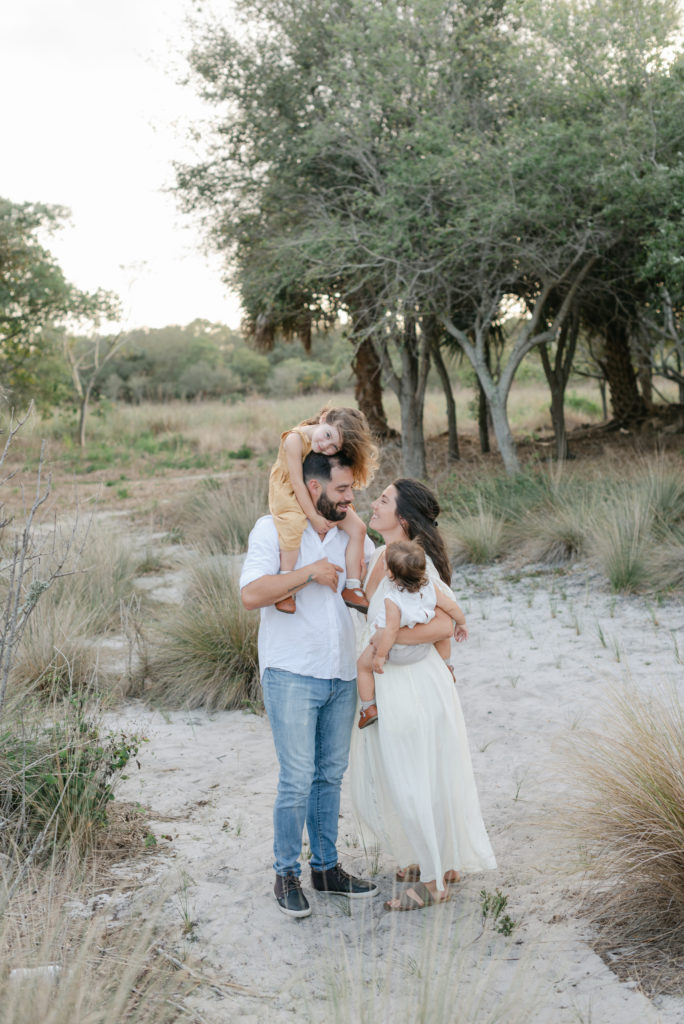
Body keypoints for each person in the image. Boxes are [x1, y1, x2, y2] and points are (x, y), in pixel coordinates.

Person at [240, 448, 379, 918]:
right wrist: (308, 574)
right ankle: (286, 874)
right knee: (297, 778)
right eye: (342, 490)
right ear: (313, 488)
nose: (350, 499)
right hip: (292, 671)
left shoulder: (347, 533)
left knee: (329, 775)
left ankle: (326, 868)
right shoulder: (273, 528)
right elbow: (251, 594)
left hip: (341, 672)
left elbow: (379, 582)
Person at [350, 478, 497, 912]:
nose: (373, 504)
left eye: (383, 500)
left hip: (413, 685)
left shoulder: (418, 564)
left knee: (414, 778)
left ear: (403, 518)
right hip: (393, 682)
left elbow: (444, 626)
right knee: (414, 776)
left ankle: (433, 884)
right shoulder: (381, 555)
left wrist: (388, 641)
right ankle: (438, 861)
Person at [268, 407, 377, 614]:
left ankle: (353, 587)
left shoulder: (329, 440)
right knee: (293, 525)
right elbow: (297, 483)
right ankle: (285, 587)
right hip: (290, 489)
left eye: (334, 446)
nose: (325, 446)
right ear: (324, 419)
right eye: (328, 435)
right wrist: (315, 517)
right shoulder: (294, 439)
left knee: (358, 528)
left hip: (316, 490)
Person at [356, 538, 468, 729]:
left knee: (362, 667)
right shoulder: (431, 588)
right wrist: (461, 623)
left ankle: (368, 708)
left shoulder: (392, 598)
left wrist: (381, 655)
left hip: (396, 651)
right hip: (421, 648)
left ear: (390, 573)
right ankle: (447, 666)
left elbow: (391, 630)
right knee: (442, 636)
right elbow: (450, 606)